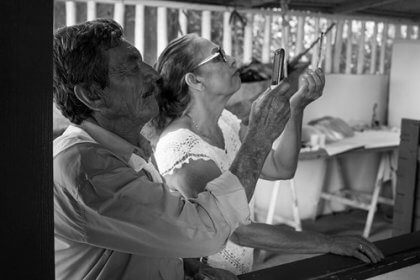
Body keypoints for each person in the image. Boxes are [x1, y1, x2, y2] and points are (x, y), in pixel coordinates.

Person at [53, 19, 295, 280]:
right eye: (132, 67)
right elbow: (207, 229)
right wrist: (259, 136)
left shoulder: (125, 152)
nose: (153, 74)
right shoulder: (89, 169)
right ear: (92, 95)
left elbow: (144, 232)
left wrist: (190, 268)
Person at [150, 34, 384, 276]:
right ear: (194, 80)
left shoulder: (226, 122)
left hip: (240, 271)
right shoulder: (178, 145)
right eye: (218, 56)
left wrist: (296, 107)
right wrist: (329, 243)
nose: (232, 60)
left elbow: (281, 167)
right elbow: (236, 230)